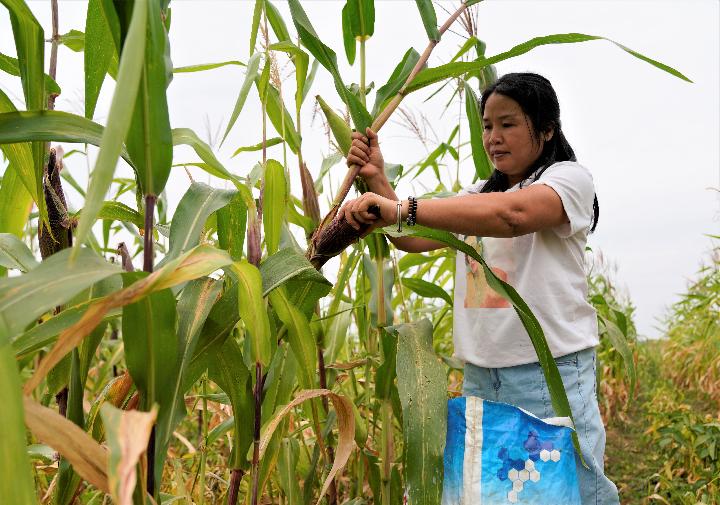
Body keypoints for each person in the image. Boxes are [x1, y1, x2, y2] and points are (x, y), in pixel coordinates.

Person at [338, 72, 620, 504]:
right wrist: (378, 179)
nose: (493, 137)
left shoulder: (568, 180)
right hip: (482, 376)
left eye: (508, 124)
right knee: (493, 494)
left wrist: (401, 208)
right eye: (487, 126)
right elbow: (411, 237)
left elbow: (514, 216)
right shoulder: (477, 195)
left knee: (569, 493)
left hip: (549, 374)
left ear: (546, 129)